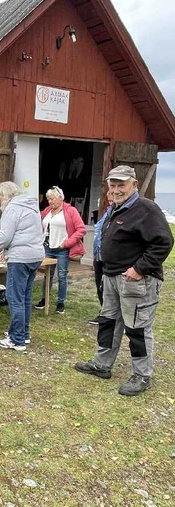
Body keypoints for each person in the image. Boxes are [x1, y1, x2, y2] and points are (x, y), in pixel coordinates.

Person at [75, 165, 174, 396]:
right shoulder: (116, 208)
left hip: (136, 281)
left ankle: (141, 375)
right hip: (111, 277)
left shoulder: (146, 209)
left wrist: (139, 268)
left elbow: (164, 242)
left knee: (137, 328)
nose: (117, 189)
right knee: (108, 321)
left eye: (122, 185)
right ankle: (102, 365)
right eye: (113, 185)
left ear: (134, 185)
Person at [0, 181, 44, 351]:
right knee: (25, 297)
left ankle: (17, 340)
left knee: (14, 298)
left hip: (20, 258)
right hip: (35, 256)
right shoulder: (31, 207)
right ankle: (23, 334)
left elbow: (5, 237)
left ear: (5, 196)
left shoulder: (12, 209)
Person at [35, 186, 86, 314]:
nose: (50, 202)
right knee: (48, 275)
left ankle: (60, 302)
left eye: (52, 199)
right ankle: (44, 299)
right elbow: (37, 220)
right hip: (48, 247)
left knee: (62, 275)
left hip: (62, 248)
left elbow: (81, 229)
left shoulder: (70, 211)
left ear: (60, 198)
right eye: (48, 199)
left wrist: (67, 243)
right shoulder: (47, 210)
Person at [88, 190, 114, 324]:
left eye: (112, 197)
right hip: (99, 256)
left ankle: (109, 316)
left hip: (110, 258)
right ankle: (104, 313)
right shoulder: (107, 213)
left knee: (109, 289)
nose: (110, 199)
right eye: (109, 197)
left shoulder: (120, 214)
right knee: (100, 286)